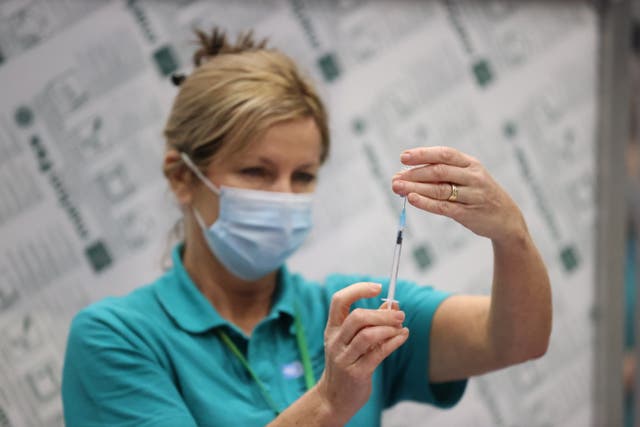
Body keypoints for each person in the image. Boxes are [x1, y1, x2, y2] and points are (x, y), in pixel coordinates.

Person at [61, 28, 552, 427]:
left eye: (304, 176)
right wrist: (329, 402)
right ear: (182, 177)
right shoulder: (117, 338)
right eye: (256, 172)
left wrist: (511, 236)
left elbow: (517, 339)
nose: (284, 197)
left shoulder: (354, 311)